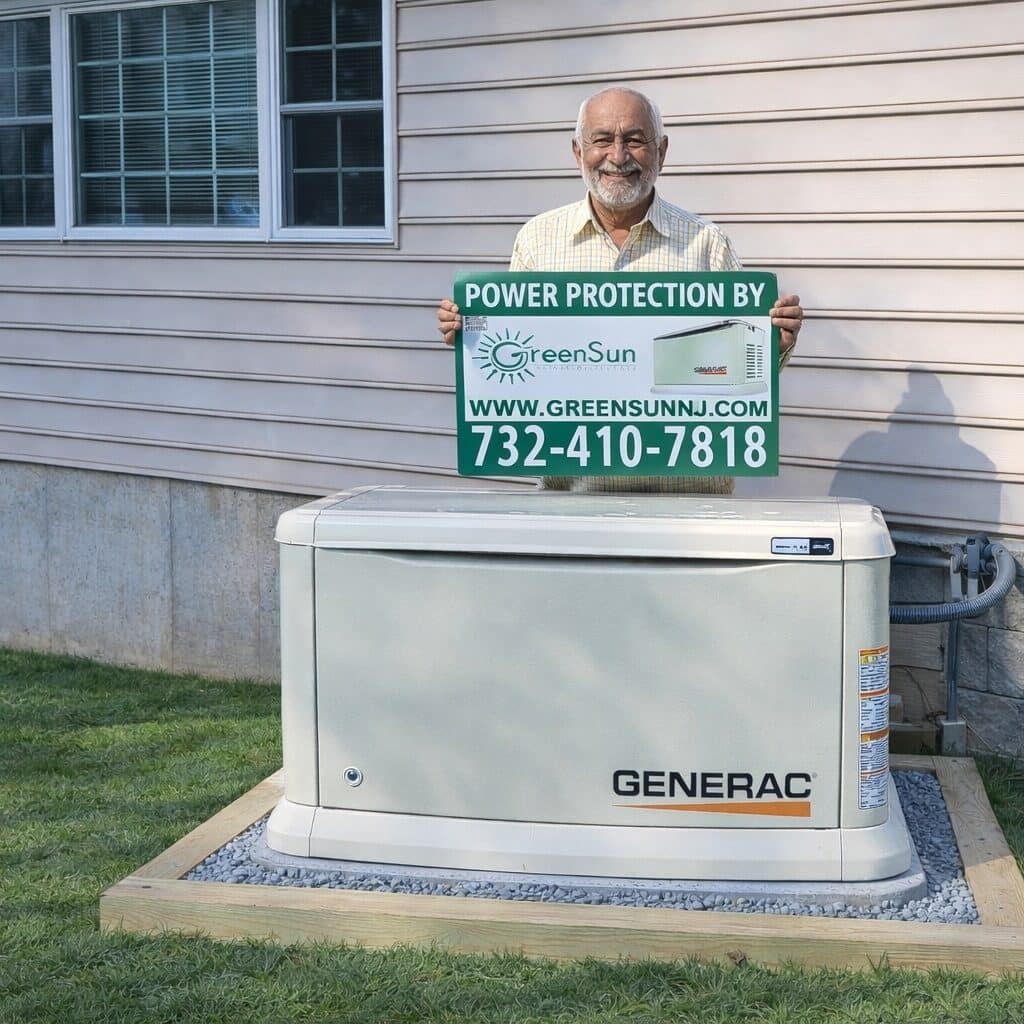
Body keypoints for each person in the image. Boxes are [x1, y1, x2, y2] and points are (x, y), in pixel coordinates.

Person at [436, 86, 804, 493]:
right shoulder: (537, 240)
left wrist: (775, 342)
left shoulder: (706, 243)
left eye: (634, 139)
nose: (618, 155)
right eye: (601, 140)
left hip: (687, 506)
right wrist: (472, 337)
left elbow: (743, 376)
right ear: (578, 152)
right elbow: (518, 365)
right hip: (574, 504)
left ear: (661, 152)